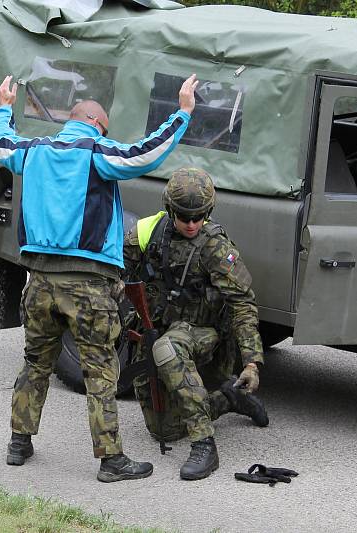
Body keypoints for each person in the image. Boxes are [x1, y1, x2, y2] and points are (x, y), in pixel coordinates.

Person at [0, 73, 199, 482]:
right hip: (88, 285)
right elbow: (145, 154)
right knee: (101, 369)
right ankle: (111, 460)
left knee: (35, 363)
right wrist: (183, 113)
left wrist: (2, 107)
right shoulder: (98, 151)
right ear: (98, 125)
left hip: (39, 281)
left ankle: (19, 442)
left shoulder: (33, 150)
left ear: (70, 119)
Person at [123, 167, 268, 481]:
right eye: (184, 217)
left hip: (204, 333)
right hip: (157, 329)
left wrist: (252, 362)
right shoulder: (148, 231)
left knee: (167, 349)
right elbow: (117, 272)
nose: (191, 224)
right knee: (165, 430)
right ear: (170, 210)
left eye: (199, 216)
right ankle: (228, 400)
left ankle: (204, 444)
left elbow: (243, 304)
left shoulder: (215, 247)